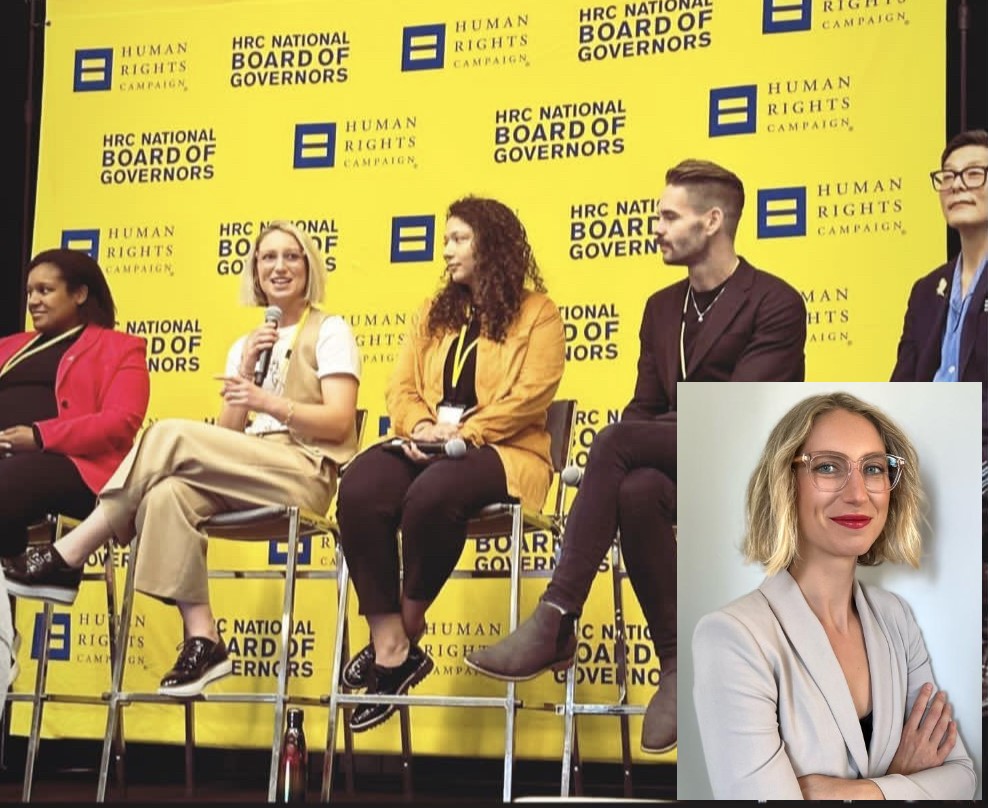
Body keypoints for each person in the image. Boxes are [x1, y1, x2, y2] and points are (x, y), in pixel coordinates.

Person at [465, 159, 807, 755]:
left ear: (713, 220)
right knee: (634, 488)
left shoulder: (774, 302)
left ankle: (556, 616)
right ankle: (676, 663)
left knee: (618, 441)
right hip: (679, 470)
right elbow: (645, 406)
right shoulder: (660, 308)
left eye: (669, 216)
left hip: (747, 469)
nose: (655, 226)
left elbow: (738, 417)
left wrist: (647, 431)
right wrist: (648, 431)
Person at [2, 221, 361, 697]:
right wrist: (248, 370)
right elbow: (229, 437)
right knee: (169, 493)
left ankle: (74, 550)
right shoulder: (246, 343)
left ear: (309, 265)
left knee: (168, 434)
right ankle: (203, 638)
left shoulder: (331, 330)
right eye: (267, 258)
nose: (279, 267)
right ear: (255, 271)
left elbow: (340, 423)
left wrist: (268, 402)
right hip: (249, 467)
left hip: (302, 469)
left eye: (290, 257)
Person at [334, 195, 565, 733]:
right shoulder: (434, 313)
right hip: (428, 443)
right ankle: (391, 643)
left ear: (493, 245)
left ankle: (402, 635)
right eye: (445, 240)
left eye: (459, 239)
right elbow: (401, 386)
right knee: (362, 486)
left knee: (433, 494)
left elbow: (533, 397)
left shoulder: (538, 313)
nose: (447, 251)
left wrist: (464, 434)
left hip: (503, 451)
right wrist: (418, 428)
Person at [691, 392, 977, 800]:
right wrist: (903, 780)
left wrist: (866, 793)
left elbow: (962, 778)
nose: (858, 493)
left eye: (874, 469)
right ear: (784, 484)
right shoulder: (733, 637)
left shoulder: (895, 617)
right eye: (828, 467)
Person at [0, 248, 150, 558]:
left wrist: (39, 437)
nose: (33, 301)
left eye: (45, 291)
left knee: (11, 478)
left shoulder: (120, 347)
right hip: (9, 462)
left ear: (80, 293)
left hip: (78, 470)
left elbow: (120, 422)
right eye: (30, 292)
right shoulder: (9, 346)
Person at [891, 128, 987, 384]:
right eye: (947, 176)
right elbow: (902, 387)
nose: (956, 184)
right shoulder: (925, 290)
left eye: (974, 174)